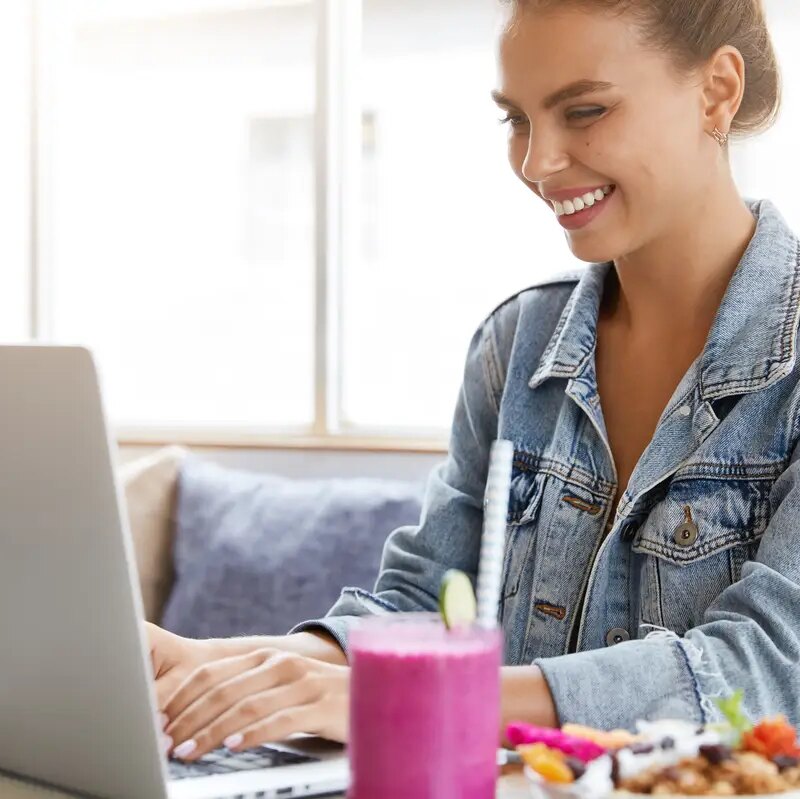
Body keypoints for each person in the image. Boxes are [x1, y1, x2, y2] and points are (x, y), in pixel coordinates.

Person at [148, 0, 800, 763]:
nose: (538, 161)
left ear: (717, 91)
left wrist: (410, 696)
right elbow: (430, 606)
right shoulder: (515, 346)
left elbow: (765, 670)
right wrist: (229, 668)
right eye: (516, 120)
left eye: (584, 110)